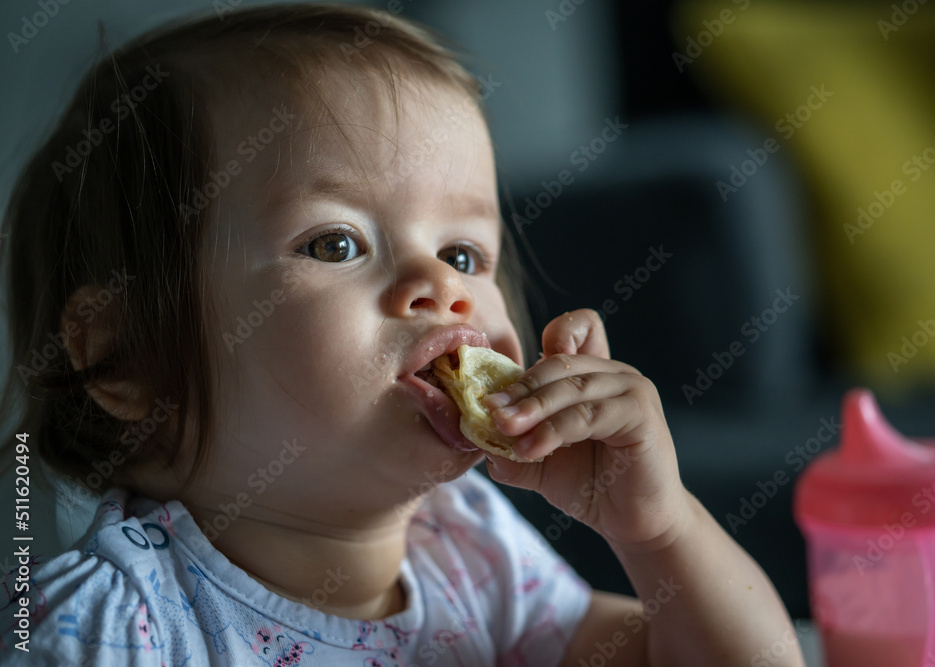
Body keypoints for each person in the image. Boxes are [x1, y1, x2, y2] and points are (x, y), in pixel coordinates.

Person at [0, 3, 804, 665]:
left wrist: (658, 528)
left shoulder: (475, 555)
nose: (443, 288)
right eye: (336, 243)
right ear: (124, 354)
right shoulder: (113, 628)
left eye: (463, 252)